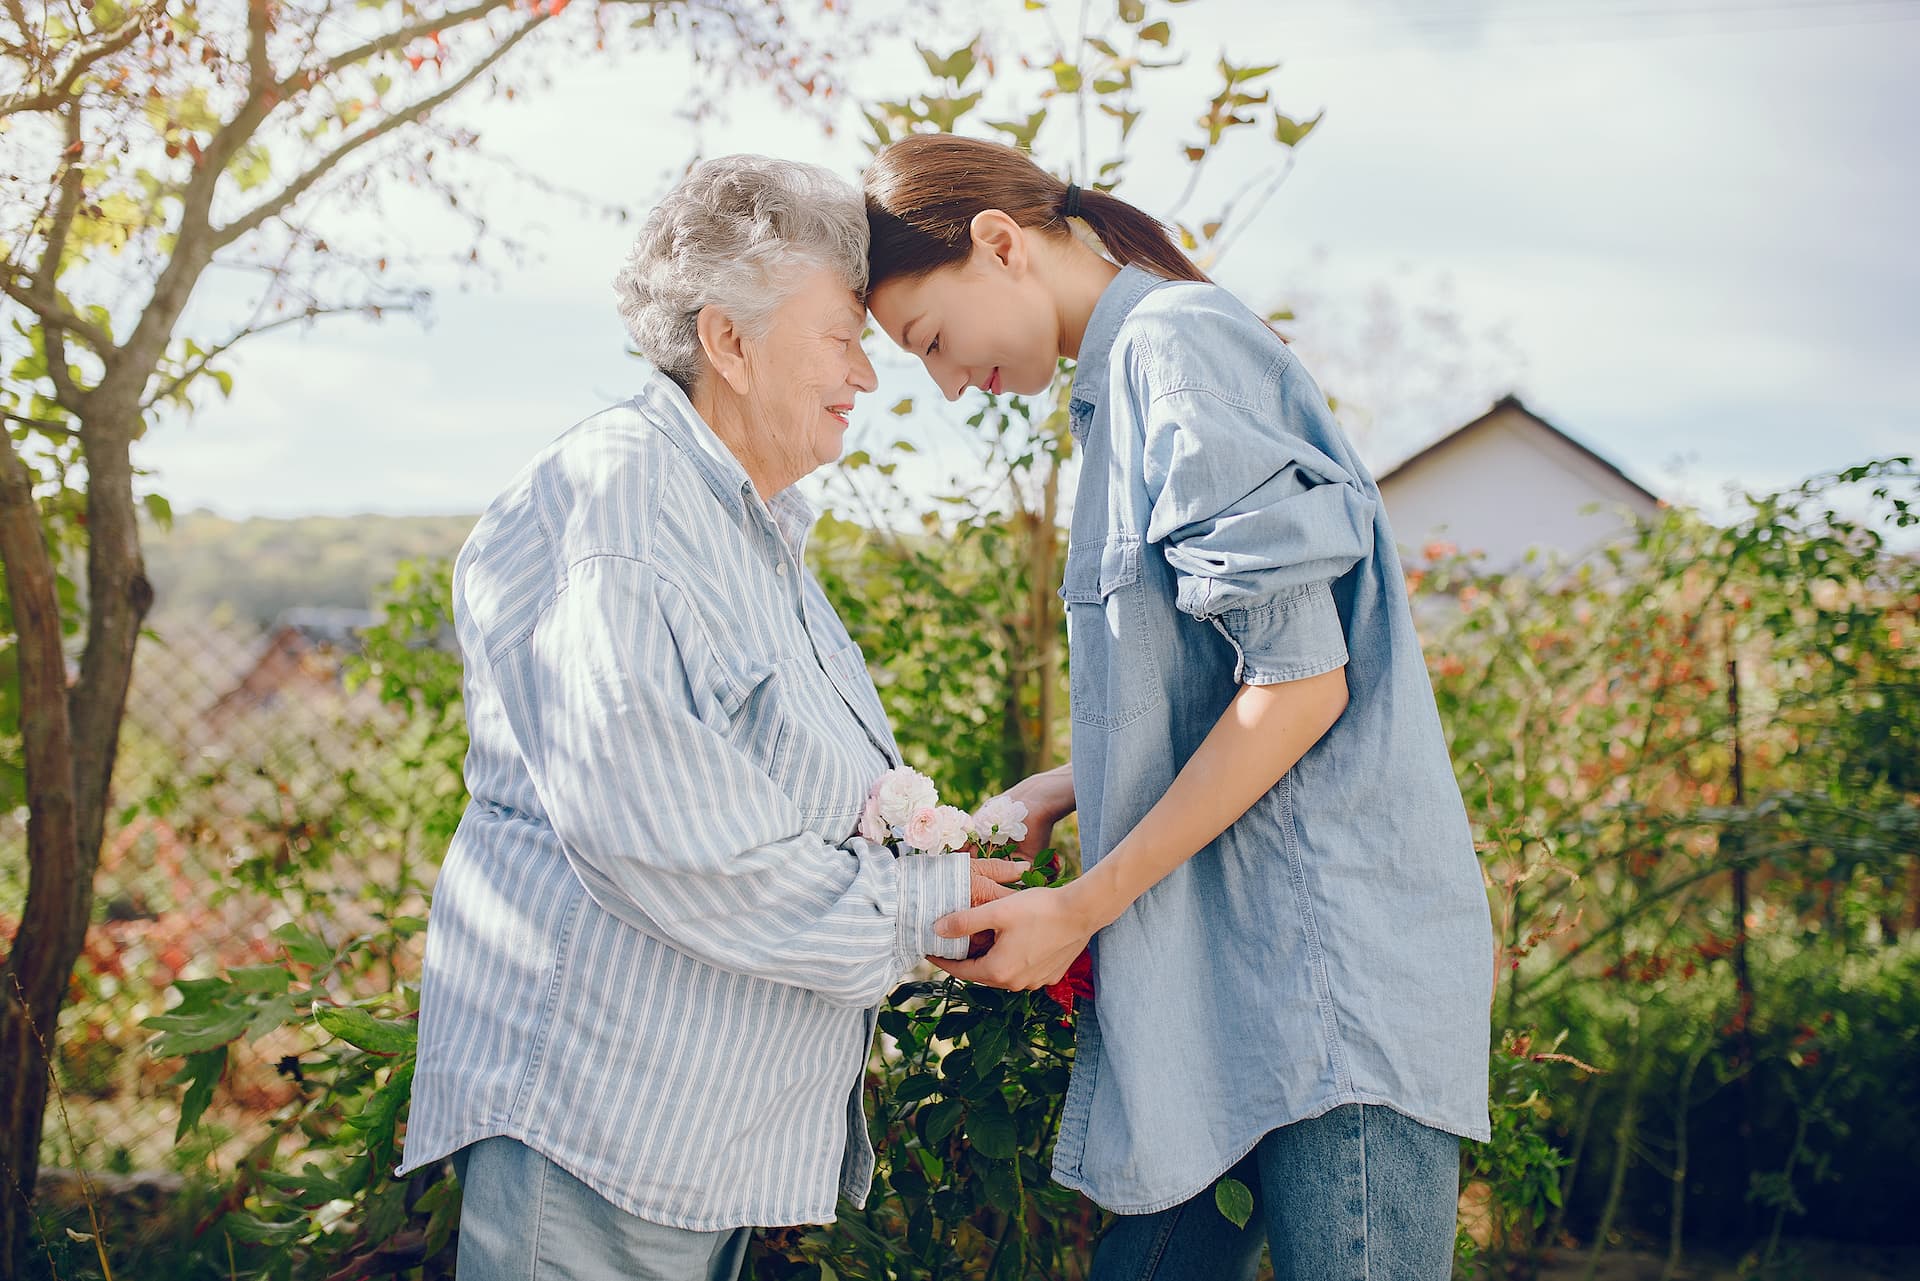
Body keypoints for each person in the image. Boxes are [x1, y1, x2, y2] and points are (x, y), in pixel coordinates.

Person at [862, 133, 1494, 1280]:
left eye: (934, 342)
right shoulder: (1116, 390)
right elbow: (1221, 685)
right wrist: (1060, 791)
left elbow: (1301, 687)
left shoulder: (1179, 351)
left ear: (998, 244)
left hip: (1324, 990)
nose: (948, 383)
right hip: (1223, 987)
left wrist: (1082, 907)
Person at [399, 154, 1024, 1280]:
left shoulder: (742, 524)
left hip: (681, 1135)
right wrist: (917, 908)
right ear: (728, 341)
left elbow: (769, 794)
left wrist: (965, 847)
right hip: (605, 1128)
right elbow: (661, 830)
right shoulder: (627, 503)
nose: (866, 380)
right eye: (842, 337)